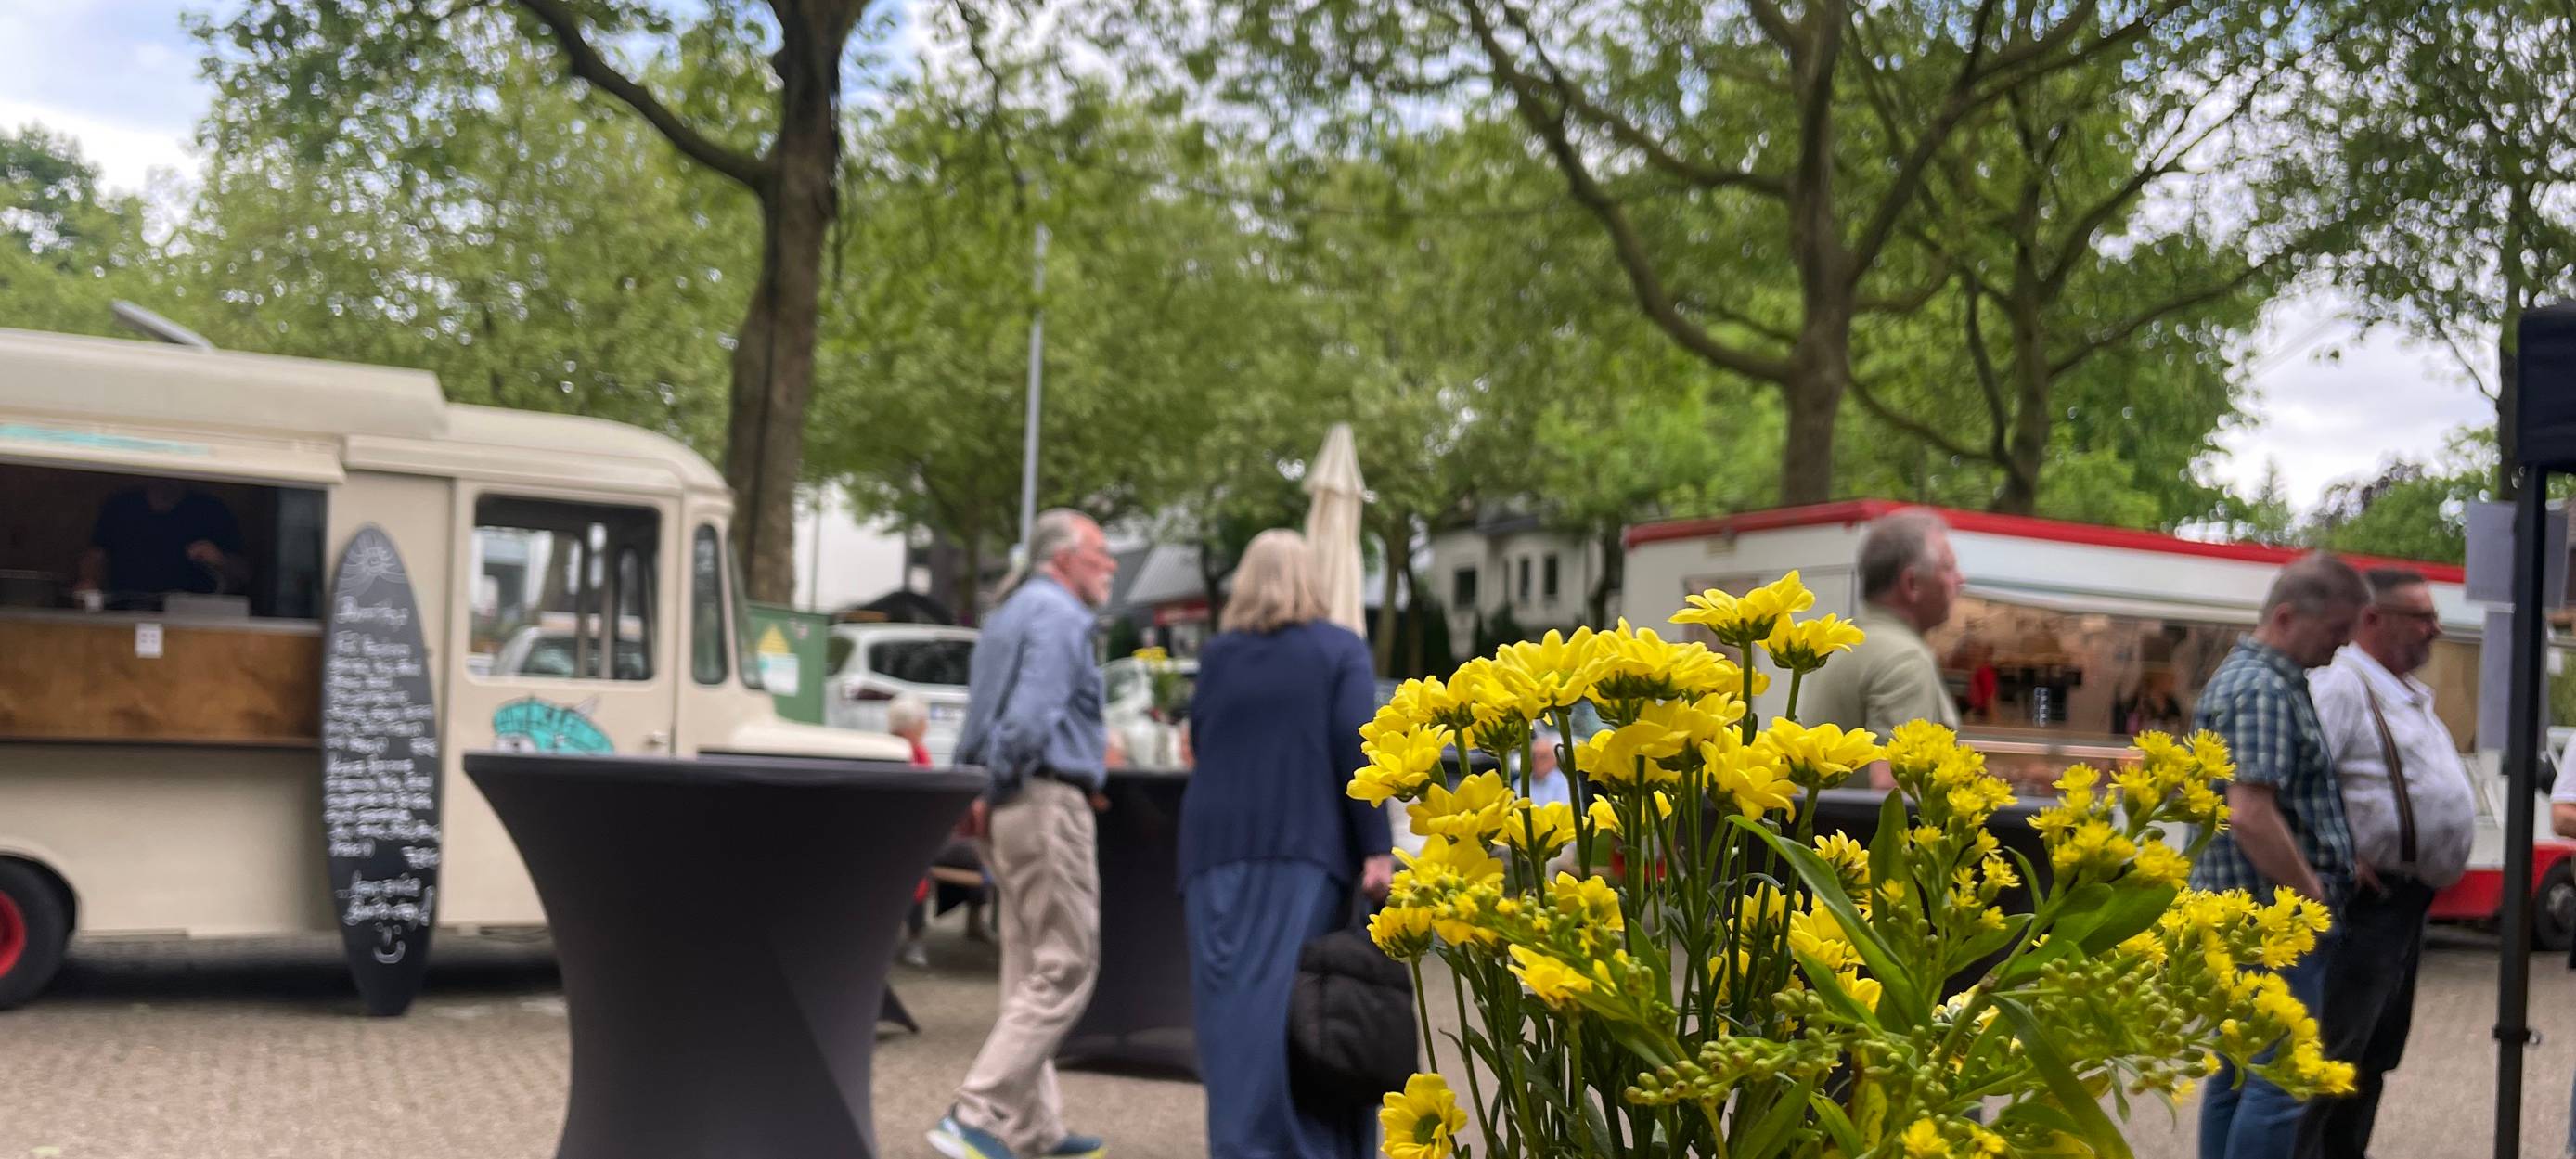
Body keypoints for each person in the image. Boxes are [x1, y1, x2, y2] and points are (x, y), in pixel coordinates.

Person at [1178, 529, 1392, 1159]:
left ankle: (1238, 1141)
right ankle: (1300, 1145)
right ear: (1312, 578)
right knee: (1293, 1006)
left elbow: (1200, 734)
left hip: (1211, 850)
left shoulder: (1218, 655)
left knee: (1228, 1011)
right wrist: (1375, 846)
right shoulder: (1338, 649)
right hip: (1300, 846)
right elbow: (1356, 747)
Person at [930, 509, 1118, 1159]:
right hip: (1043, 799)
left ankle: (1032, 1130)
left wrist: (973, 787)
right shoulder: (1063, 617)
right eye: (1100, 552)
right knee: (1067, 963)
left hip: (1004, 805)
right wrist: (1003, 776)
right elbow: (1031, 716)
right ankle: (973, 1112)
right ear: (1064, 557)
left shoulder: (1006, 613)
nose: (1111, 564)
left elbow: (982, 711)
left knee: (1027, 963)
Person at [2190, 552, 2368, 1159]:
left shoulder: (2257, 680)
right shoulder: (2262, 688)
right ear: (2288, 617)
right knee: (2277, 1083)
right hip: (2270, 924)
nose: (2340, 648)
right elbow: (2251, 813)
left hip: (2247, 919)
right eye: (2335, 632)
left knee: (2238, 1074)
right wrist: (2311, 891)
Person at [2294, 567, 2474, 1157]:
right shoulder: (2343, 687)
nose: (2435, 629)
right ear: (2373, 620)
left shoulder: (2400, 692)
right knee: (2336, 1057)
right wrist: (2338, 853)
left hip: (2402, 904)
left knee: (2371, 1055)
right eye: (2421, 617)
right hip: (2366, 906)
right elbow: (2296, 782)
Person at [1799, 509, 1964, 783]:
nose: (1960, 579)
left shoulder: (1841, 644)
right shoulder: (1905, 659)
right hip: (1864, 829)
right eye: (1948, 567)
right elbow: (1891, 787)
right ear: (1912, 584)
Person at [74, 479, 249, 608]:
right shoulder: (122, 506)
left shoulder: (211, 510)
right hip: (125, 610)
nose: (167, 480)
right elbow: (96, 555)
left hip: (191, 616)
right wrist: (89, 582)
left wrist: (218, 559)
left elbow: (242, 574)